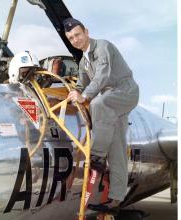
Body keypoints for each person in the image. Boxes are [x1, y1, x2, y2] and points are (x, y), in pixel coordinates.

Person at [63, 17, 139, 211]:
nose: (75, 40)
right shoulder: (83, 62)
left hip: (125, 92)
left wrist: (85, 95)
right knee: (117, 149)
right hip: (113, 104)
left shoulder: (102, 46)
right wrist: (73, 93)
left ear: (86, 32)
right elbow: (81, 84)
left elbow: (102, 76)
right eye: (71, 38)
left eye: (78, 35)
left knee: (98, 103)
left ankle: (96, 156)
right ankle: (116, 199)